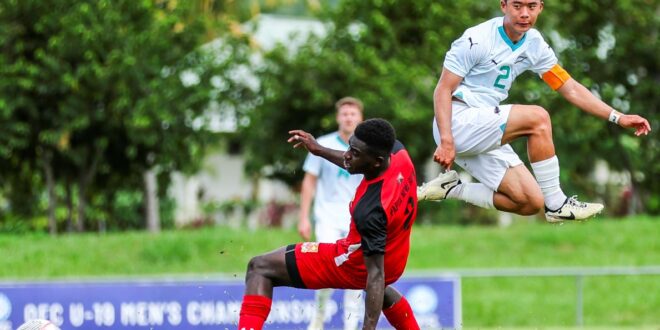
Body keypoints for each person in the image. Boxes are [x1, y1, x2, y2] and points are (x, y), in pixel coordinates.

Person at [418, 0, 651, 222]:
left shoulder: (534, 43)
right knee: (538, 118)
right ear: (503, 5)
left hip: (485, 127)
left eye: (531, 6)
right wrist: (447, 140)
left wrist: (618, 117)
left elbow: (569, 88)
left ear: (541, 7)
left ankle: (453, 189)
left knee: (529, 201)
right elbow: (442, 90)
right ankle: (558, 205)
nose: (524, 13)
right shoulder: (476, 39)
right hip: (457, 122)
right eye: (517, 5)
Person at [238, 119, 420, 330]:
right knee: (380, 285)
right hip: (395, 257)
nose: (347, 155)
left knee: (259, 267)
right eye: (349, 146)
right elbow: (358, 158)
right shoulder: (399, 155)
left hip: (352, 264)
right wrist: (319, 150)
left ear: (377, 161)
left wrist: (368, 328)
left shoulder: (371, 208)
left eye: (355, 153)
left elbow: (375, 277)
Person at [298, 97, 364, 330]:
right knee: (326, 268)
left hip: (357, 220)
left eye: (353, 114)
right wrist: (304, 217)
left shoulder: (368, 146)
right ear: (338, 117)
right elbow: (309, 182)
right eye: (344, 114)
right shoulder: (323, 144)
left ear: (360, 118)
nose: (348, 118)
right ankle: (319, 317)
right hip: (327, 217)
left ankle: (351, 325)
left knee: (356, 272)